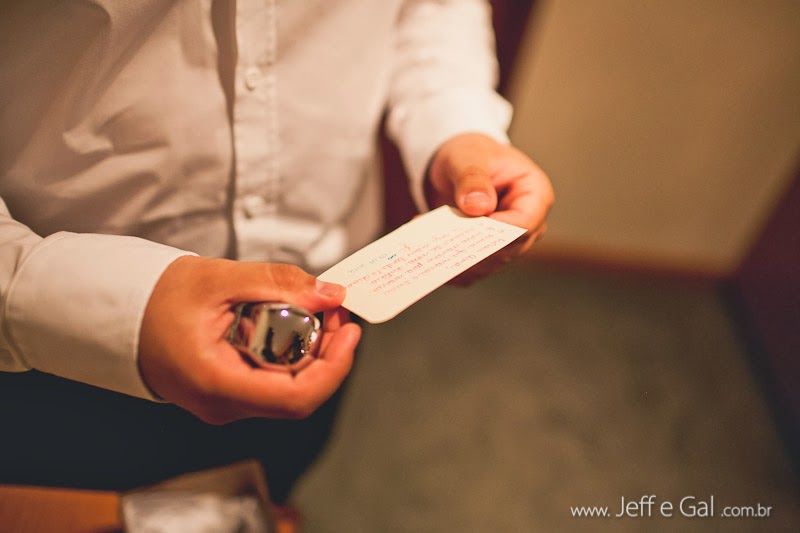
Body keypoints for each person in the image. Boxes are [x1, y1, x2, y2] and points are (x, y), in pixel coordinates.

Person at [0, 0, 553, 514]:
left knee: (264, 496)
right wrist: (56, 297)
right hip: (45, 349)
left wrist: (456, 125)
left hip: (330, 301)